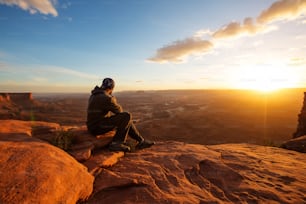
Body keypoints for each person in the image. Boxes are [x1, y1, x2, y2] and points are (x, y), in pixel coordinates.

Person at [86, 78, 155, 152]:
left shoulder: (94, 95)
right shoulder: (107, 98)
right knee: (126, 116)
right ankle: (116, 143)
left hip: (92, 126)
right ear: (111, 88)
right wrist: (113, 98)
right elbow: (119, 111)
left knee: (126, 118)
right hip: (98, 127)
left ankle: (141, 141)